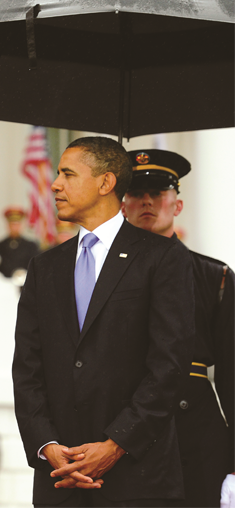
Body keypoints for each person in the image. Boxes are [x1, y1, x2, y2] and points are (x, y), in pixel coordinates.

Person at [12, 136, 195, 505]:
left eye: (68, 174)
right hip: (61, 481)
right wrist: (47, 446)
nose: (55, 184)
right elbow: (27, 368)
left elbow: (169, 365)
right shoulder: (44, 267)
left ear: (105, 183)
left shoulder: (163, 258)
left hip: (138, 482)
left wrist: (115, 445)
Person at [121, 149, 235, 508]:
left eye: (158, 193)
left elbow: (232, 375)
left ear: (177, 205)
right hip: (123, 432)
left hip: (194, 436)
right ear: (122, 205)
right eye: (137, 193)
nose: (147, 202)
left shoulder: (213, 277)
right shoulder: (98, 278)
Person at [0, 207, 40, 277]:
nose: (14, 227)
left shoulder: (31, 246)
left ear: (21, 225)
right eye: (12, 224)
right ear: (7, 225)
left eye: (17, 224)